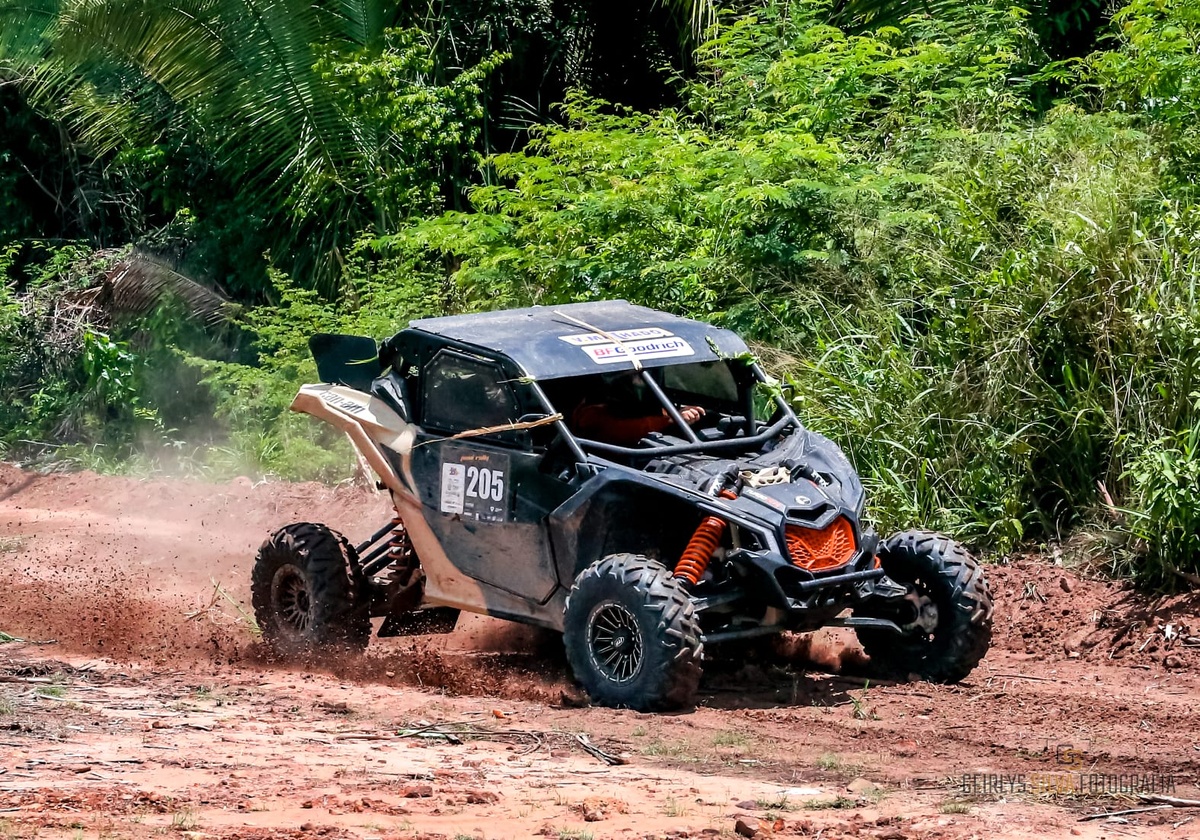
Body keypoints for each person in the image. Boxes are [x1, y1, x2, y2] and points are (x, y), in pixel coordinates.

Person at [571, 371, 706, 446]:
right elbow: (623, 430)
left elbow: (653, 413)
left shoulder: (647, 400)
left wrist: (683, 413)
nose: (637, 381)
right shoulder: (590, 412)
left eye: (641, 375)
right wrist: (672, 419)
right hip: (607, 467)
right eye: (632, 376)